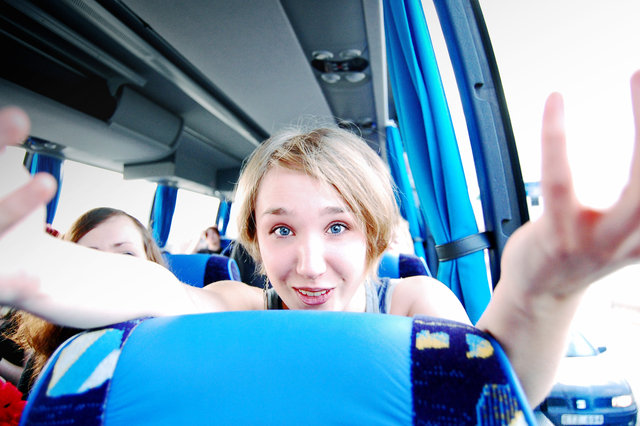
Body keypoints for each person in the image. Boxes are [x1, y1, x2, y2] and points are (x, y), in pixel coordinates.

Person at [2, 70, 640, 408]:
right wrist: (41, 269)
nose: (309, 265)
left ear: (375, 236)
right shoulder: (240, 306)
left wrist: (543, 295)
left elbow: (491, 387)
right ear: (254, 241)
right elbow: (155, 290)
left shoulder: (415, 307)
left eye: (338, 226)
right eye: (281, 229)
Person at [7, 207, 166, 395]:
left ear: (150, 263)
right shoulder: (53, 340)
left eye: (127, 254)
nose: (110, 269)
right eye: (90, 257)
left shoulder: (167, 344)